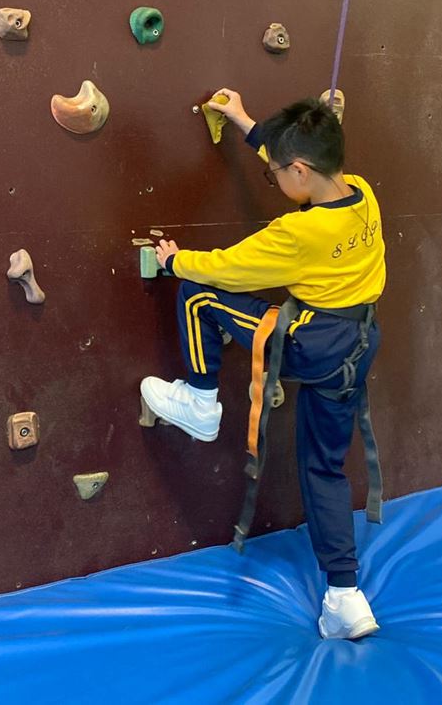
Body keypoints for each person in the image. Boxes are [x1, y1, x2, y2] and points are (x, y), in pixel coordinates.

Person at [141, 89, 385, 640]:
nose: (273, 180)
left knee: (198, 294)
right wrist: (243, 121)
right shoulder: (362, 193)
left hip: (312, 343)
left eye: (276, 173)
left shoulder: (297, 234)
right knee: (324, 467)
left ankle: (201, 402)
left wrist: (175, 260)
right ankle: (345, 598)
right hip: (358, 344)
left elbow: (227, 268)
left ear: (299, 171)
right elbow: (300, 161)